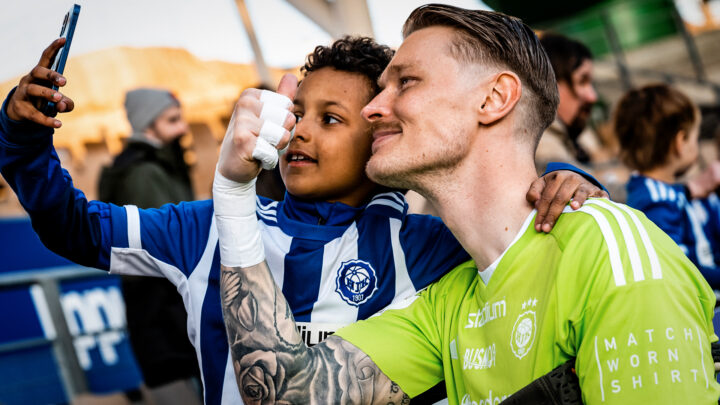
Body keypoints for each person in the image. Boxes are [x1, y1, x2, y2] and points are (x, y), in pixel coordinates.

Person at [0, 36, 603, 405]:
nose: (299, 130)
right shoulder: (205, 226)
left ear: (382, 133)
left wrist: (573, 187)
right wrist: (23, 141)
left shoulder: (431, 245)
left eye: (332, 119)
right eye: (296, 111)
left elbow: (532, 235)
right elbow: (73, 228)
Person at [214, 4, 719, 404]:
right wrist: (233, 192)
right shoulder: (451, 296)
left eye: (406, 82)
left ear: (494, 98)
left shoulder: (607, 258)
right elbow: (285, 393)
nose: (373, 108)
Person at [97, 88, 202, 403]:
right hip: (164, 312)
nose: (182, 128)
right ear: (146, 125)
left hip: (167, 310)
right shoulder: (144, 172)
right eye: (172, 120)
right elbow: (168, 248)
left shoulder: (158, 163)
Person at [619, 84, 720, 289]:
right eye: (695, 137)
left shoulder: (659, 192)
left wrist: (692, 190)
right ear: (680, 142)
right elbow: (680, 269)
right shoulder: (655, 201)